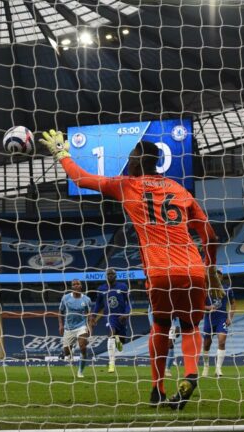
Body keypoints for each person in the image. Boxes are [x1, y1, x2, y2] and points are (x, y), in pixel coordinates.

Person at [40, 132, 220, 410]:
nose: (128, 162)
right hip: (193, 269)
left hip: (160, 271)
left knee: (161, 326)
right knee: (190, 326)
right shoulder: (180, 190)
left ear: (137, 163)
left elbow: (82, 179)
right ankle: (190, 374)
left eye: (130, 158)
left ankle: (157, 390)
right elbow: (210, 235)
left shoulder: (127, 185)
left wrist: (62, 154)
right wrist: (210, 269)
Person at [93, 268, 130, 373]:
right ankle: (111, 363)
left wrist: (125, 314)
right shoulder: (101, 289)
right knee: (111, 333)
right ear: (106, 276)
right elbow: (98, 304)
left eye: (112, 274)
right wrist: (93, 316)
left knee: (121, 342)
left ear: (115, 276)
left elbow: (129, 303)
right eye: (108, 274)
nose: (110, 275)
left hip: (121, 317)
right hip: (109, 316)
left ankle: (119, 340)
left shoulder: (123, 286)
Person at [59, 279, 95, 378]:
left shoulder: (87, 299)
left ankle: (80, 371)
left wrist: (90, 328)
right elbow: (60, 312)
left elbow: (89, 315)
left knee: (83, 347)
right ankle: (70, 351)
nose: (76, 286)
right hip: (68, 328)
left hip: (81, 326)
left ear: (81, 286)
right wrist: (61, 325)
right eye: (74, 284)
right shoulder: (65, 298)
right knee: (66, 352)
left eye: (78, 284)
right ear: (71, 287)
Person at [202, 277, 233, 377]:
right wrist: (208, 307)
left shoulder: (227, 289)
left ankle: (218, 368)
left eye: (219, 275)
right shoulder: (205, 289)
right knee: (206, 344)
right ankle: (206, 366)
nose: (217, 277)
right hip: (209, 320)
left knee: (222, 341)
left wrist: (230, 317)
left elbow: (233, 304)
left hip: (222, 319)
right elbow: (199, 305)